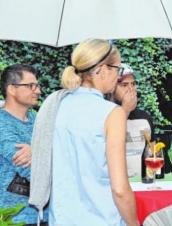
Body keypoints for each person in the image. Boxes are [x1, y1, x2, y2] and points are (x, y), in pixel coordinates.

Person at [29, 39, 139, 226]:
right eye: (118, 70)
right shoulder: (112, 113)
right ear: (103, 70)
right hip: (103, 219)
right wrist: (134, 223)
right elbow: (119, 189)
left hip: (62, 219)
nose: (118, 77)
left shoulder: (56, 105)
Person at [0, 64, 48, 225]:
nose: (38, 91)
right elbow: (29, 169)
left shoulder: (38, 120)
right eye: (30, 86)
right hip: (14, 218)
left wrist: (37, 151)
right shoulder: (2, 124)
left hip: (46, 215)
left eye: (37, 85)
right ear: (12, 89)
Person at [112, 63, 155, 177]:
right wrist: (125, 109)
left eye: (133, 84)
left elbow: (152, 149)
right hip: (117, 182)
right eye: (124, 85)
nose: (131, 89)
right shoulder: (107, 114)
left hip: (144, 180)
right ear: (112, 88)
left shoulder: (145, 117)